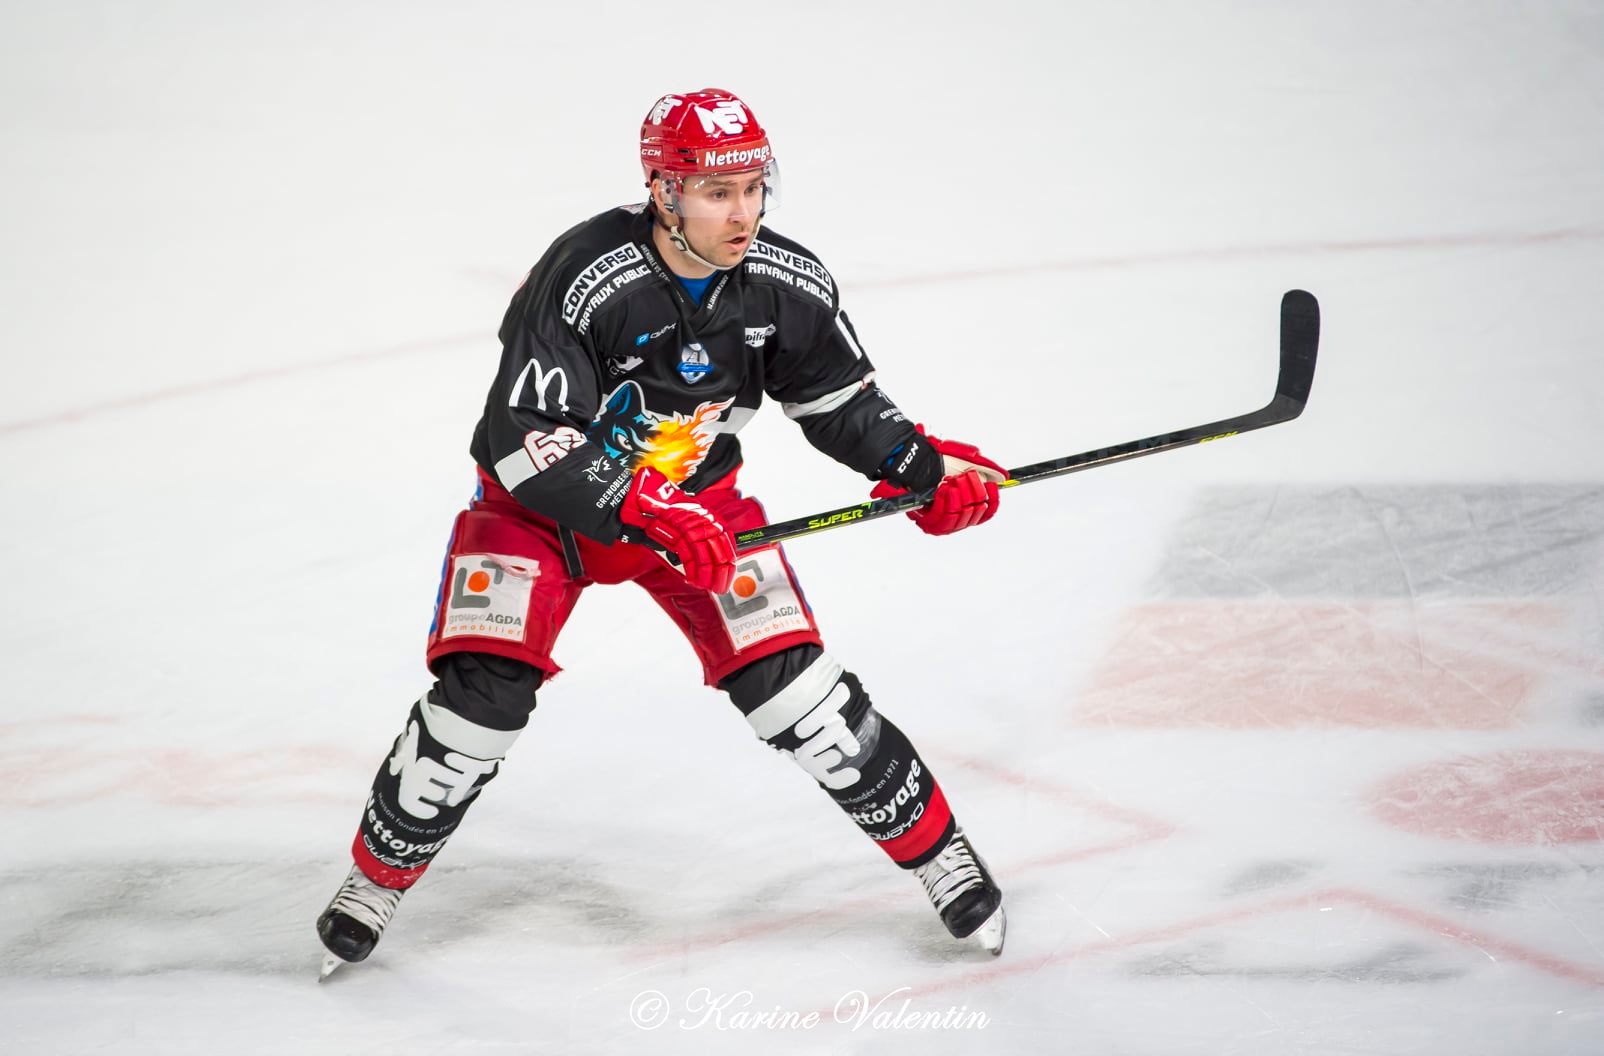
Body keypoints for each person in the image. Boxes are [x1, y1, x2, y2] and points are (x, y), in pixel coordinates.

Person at [315, 88, 1009, 978]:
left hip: (701, 516)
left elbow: (839, 403)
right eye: (718, 191)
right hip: (541, 513)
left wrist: (921, 469)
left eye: (755, 187)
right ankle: (376, 880)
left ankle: (942, 855)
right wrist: (637, 500)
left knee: (800, 695)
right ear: (662, 188)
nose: (743, 211)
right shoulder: (587, 272)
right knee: (478, 704)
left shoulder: (786, 283)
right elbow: (520, 438)